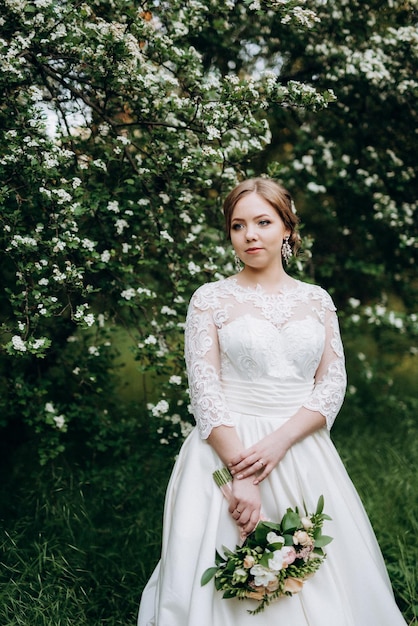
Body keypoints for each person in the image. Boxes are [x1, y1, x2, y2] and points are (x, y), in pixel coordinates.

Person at [138, 178, 407, 625]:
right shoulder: (210, 300)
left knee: (323, 573)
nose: (250, 235)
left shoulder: (316, 301)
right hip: (227, 447)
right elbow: (205, 392)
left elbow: (331, 383)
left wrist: (281, 441)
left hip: (299, 446)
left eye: (263, 222)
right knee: (227, 564)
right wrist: (240, 477)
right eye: (238, 225)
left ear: (287, 229)